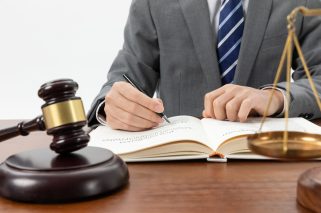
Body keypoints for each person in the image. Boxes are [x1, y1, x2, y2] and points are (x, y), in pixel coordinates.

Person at [88, 0, 321, 131]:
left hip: (265, 158)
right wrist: (111, 106)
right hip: (177, 161)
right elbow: (125, 77)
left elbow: (318, 78)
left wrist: (276, 97)